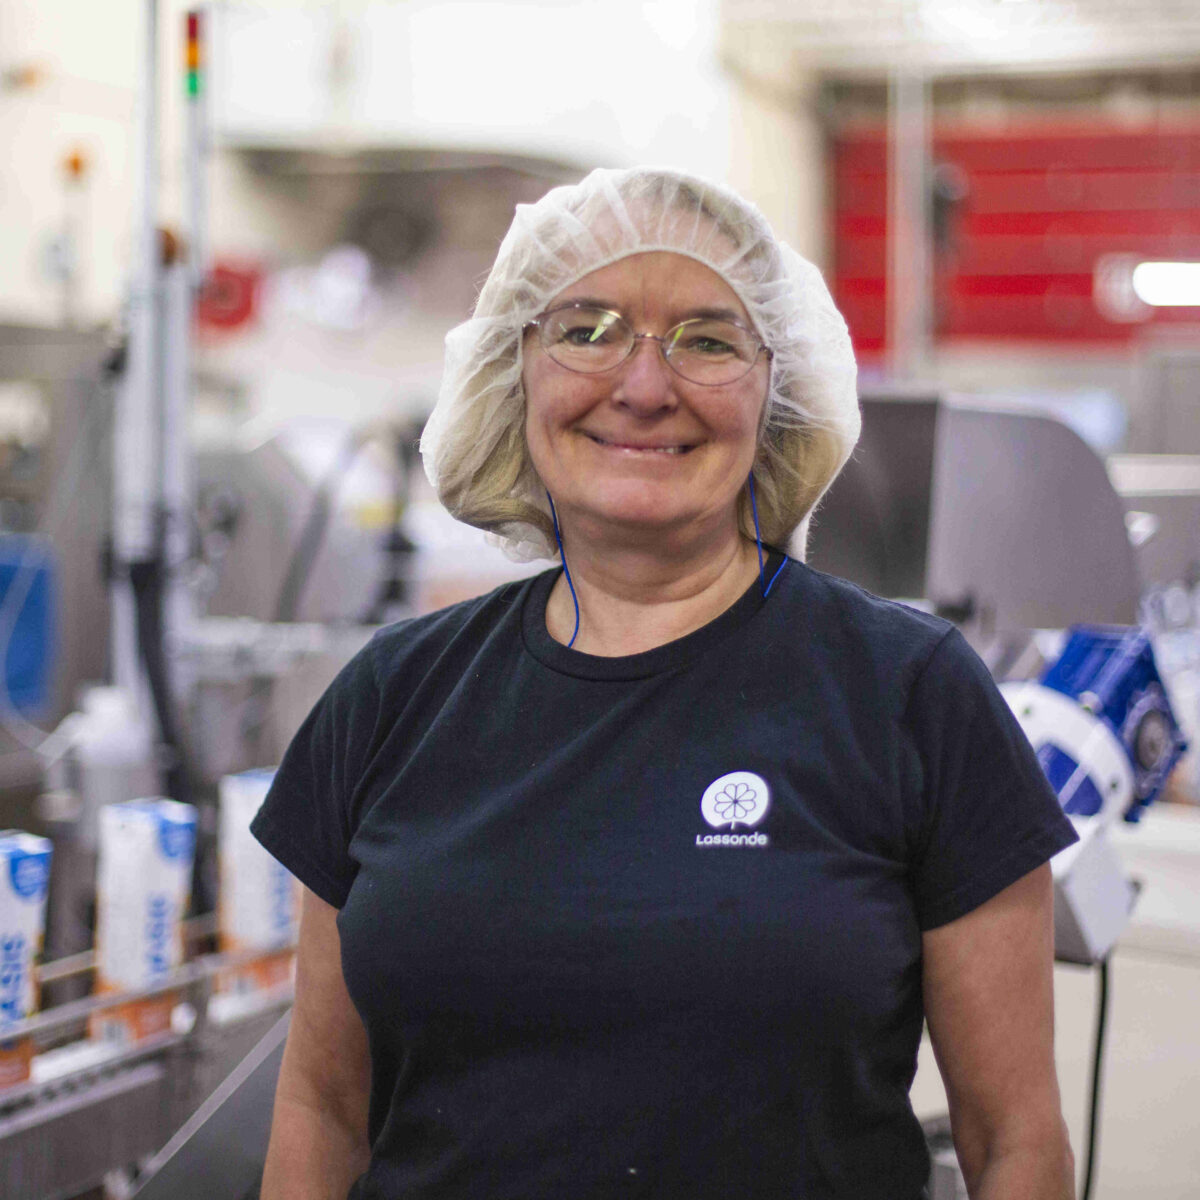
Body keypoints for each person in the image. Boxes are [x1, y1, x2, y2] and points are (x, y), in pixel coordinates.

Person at [253, 166, 1079, 1200]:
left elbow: (1017, 1144)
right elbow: (321, 1111)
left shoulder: (909, 694)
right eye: (586, 330)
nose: (644, 387)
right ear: (516, 369)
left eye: (708, 340)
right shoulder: (391, 698)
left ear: (777, 388)